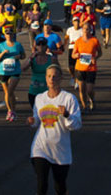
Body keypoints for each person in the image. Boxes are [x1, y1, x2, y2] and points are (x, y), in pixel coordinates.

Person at [26, 64, 82, 195]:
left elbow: (77, 125)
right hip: (41, 147)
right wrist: (32, 121)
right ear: (45, 78)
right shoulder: (40, 98)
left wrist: (67, 115)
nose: (52, 79)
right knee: (42, 183)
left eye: (55, 76)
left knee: (60, 186)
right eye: (49, 76)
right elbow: (37, 120)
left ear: (61, 78)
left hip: (60, 150)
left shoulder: (68, 98)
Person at [0, 27, 27, 121]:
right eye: (7, 34)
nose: (9, 35)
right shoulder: (1, 45)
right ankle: (10, 110)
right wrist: (3, 53)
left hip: (15, 71)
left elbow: (24, 55)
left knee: (9, 91)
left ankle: (12, 111)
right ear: (4, 35)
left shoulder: (17, 45)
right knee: (8, 93)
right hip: (3, 71)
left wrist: (19, 56)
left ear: (13, 35)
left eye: (10, 33)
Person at [72, 23, 101, 111]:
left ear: (90, 30)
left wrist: (95, 58)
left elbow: (100, 53)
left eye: (87, 29)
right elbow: (73, 54)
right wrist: (75, 55)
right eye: (84, 29)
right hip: (80, 68)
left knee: (89, 90)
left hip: (91, 68)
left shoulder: (94, 41)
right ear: (82, 30)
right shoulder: (78, 41)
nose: (85, 30)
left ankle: (92, 100)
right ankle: (84, 106)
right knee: (82, 89)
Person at [26, 36, 53, 108]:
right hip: (34, 91)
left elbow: (58, 73)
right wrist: (31, 58)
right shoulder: (33, 58)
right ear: (36, 46)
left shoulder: (51, 59)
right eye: (39, 44)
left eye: (43, 44)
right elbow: (23, 68)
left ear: (46, 46)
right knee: (36, 114)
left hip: (47, 92)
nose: (41, 46)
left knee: (47, 114)